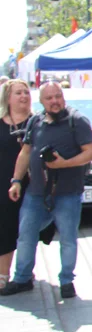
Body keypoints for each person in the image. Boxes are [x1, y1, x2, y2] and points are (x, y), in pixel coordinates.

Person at [1, 83, 92, 298]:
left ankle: (66, 282)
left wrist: (65, 163)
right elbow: (25, 153)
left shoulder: (76, 121)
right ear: (42, 102)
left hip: (68, 193)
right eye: (49, 98)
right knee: (25, 235)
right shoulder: (36, 121)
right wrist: (16, 180)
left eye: (58, 96)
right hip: (36, 192)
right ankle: (22, 278)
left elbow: (90, 153)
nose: (54, 101)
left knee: (68, 238)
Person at [0, 80, 33, 290]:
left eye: (26, 92)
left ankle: (24, 271)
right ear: (8, 98)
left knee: (28, 229)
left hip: (33, 184)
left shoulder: (37, 121)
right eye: (18, 93)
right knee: (5, 227)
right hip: (4, 182)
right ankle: (3, 273)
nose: (23, 96)